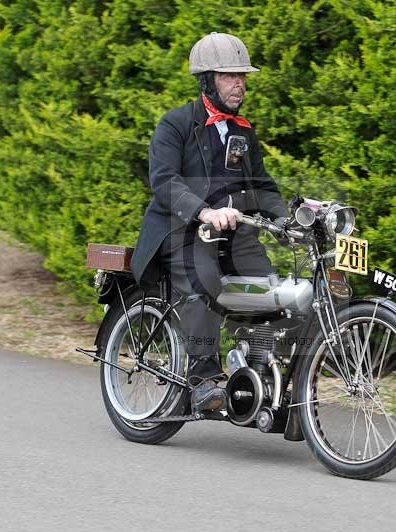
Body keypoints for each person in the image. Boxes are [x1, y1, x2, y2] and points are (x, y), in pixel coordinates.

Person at [130, 32, 289, 413]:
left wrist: (289, 220)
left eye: (242, 77)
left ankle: (260, 373)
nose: (240, 84)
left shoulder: (243, 131)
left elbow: (261, 185)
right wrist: (205, 211)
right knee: (204, 286)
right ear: (206, 80)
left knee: (270, 294)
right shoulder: (175, 124)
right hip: (182, 231)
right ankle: (203, 377)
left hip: (235, 235)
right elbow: (165, 181)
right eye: (229, 76)